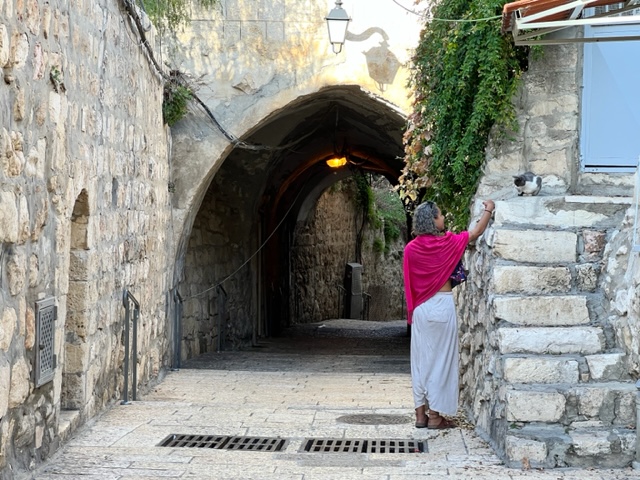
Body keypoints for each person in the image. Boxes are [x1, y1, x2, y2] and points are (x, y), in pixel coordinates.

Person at [403, 199, 495, 429]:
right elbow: (476, 232)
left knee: (420, 362)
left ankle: (420, 416)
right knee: (441, 362)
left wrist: (412, 314)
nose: (443, 218)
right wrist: (489, 209)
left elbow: (409, 284)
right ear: (433, 220)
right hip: (442, 305)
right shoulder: (448, 243)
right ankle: (435, 416)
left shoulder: (410, 249)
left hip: (422, 309)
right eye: (441, 215)